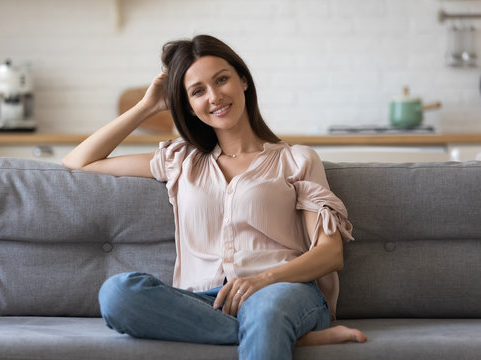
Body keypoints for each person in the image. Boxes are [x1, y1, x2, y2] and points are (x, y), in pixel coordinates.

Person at [63, 34, 367, 359]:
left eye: (221, 79)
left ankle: (273, 326)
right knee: (117, 293)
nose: (214, 96)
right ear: (189, 108)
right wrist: (148, 106)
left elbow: (330, 253)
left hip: (283, 291)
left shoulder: (297, 160)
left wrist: (263, 280)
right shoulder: (181, 160)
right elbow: (80, 162)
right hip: (205, 300)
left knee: (267, 311)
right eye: (198, 91)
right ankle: (285, 337)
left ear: (244, 81)